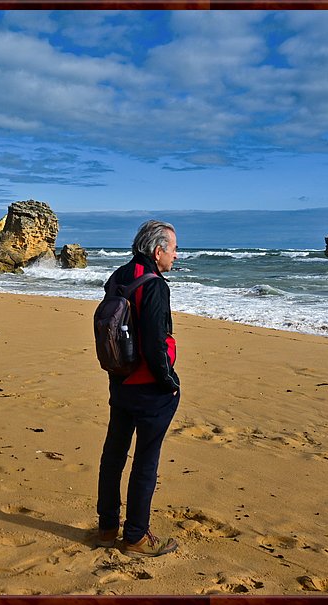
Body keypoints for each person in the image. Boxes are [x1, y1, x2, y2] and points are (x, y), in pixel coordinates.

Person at [96, 219, 180, 557]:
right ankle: (135, 537)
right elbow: (154, 344)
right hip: (148, 388)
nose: (176, 255)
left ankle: (106, 529)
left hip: (119, 381)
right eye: (174, 249)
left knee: (113, 455)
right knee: (146, 461)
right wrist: (169, 383)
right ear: (158, 251)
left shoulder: (118, 276)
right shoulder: (155, 285)